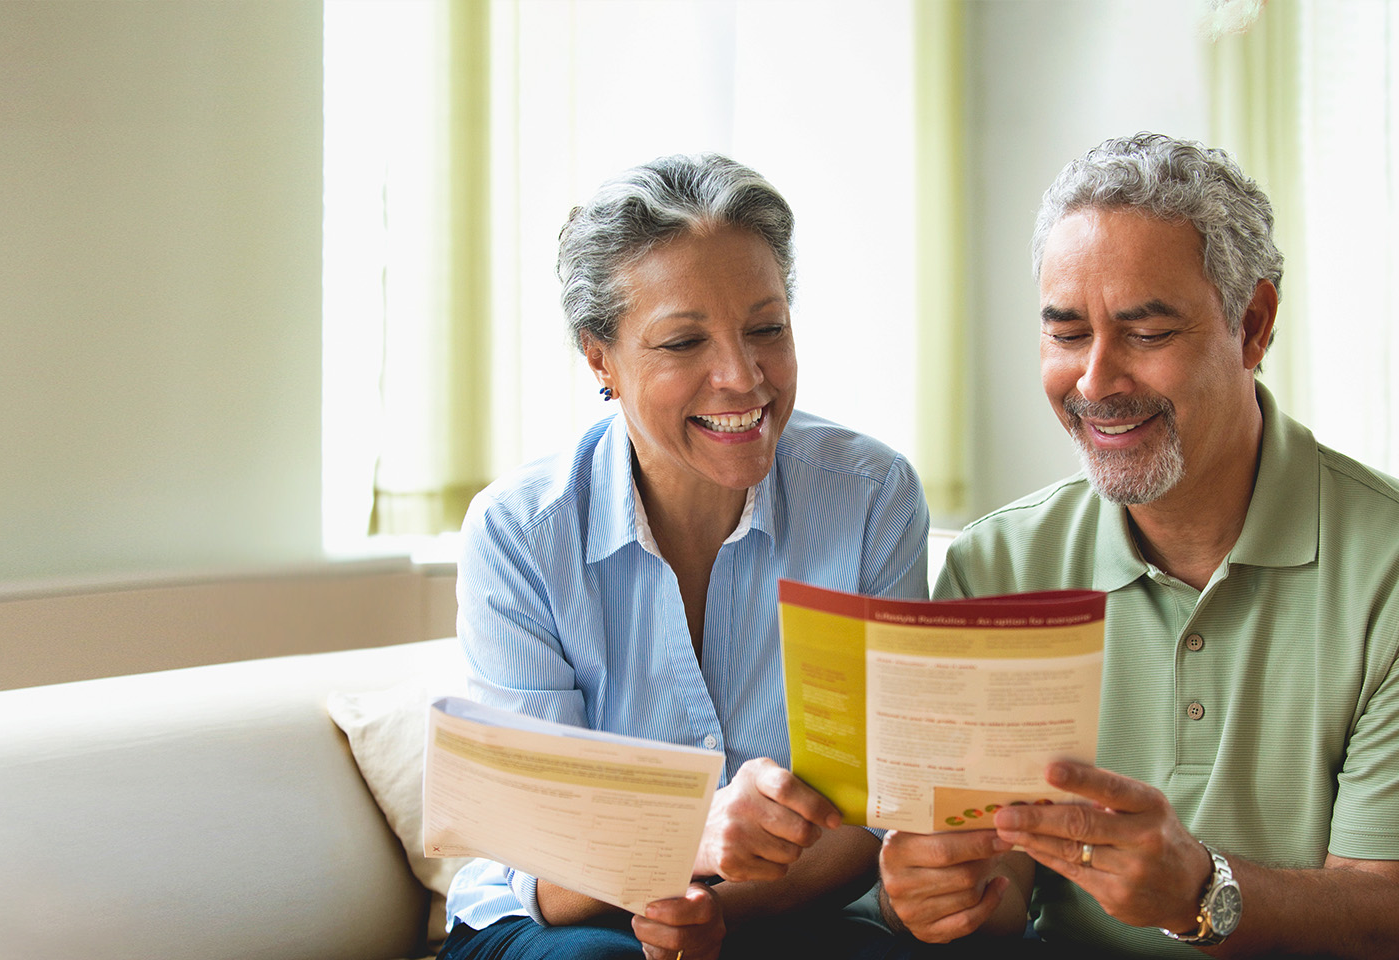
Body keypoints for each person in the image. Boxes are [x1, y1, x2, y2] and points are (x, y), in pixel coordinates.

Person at [877, 133, 1399, 957]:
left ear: (1253, 325)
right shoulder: (995, 568)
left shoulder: (1388, 571)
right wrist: (947, 894)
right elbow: (1001, 886)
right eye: (1067, 332)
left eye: (1145, 333)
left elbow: (1383, 913)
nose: (1094, 381)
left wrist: (1202, 892)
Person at [437, 153, 931, 960]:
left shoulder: (872, 497)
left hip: (791, 909)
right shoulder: (520, 533)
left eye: (766, 328)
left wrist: (722, 913)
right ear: (602, 360)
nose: (742, 377)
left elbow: (875, 815)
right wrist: (688, 845)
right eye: (683, 341)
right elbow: (542, 860)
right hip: (565, 919)